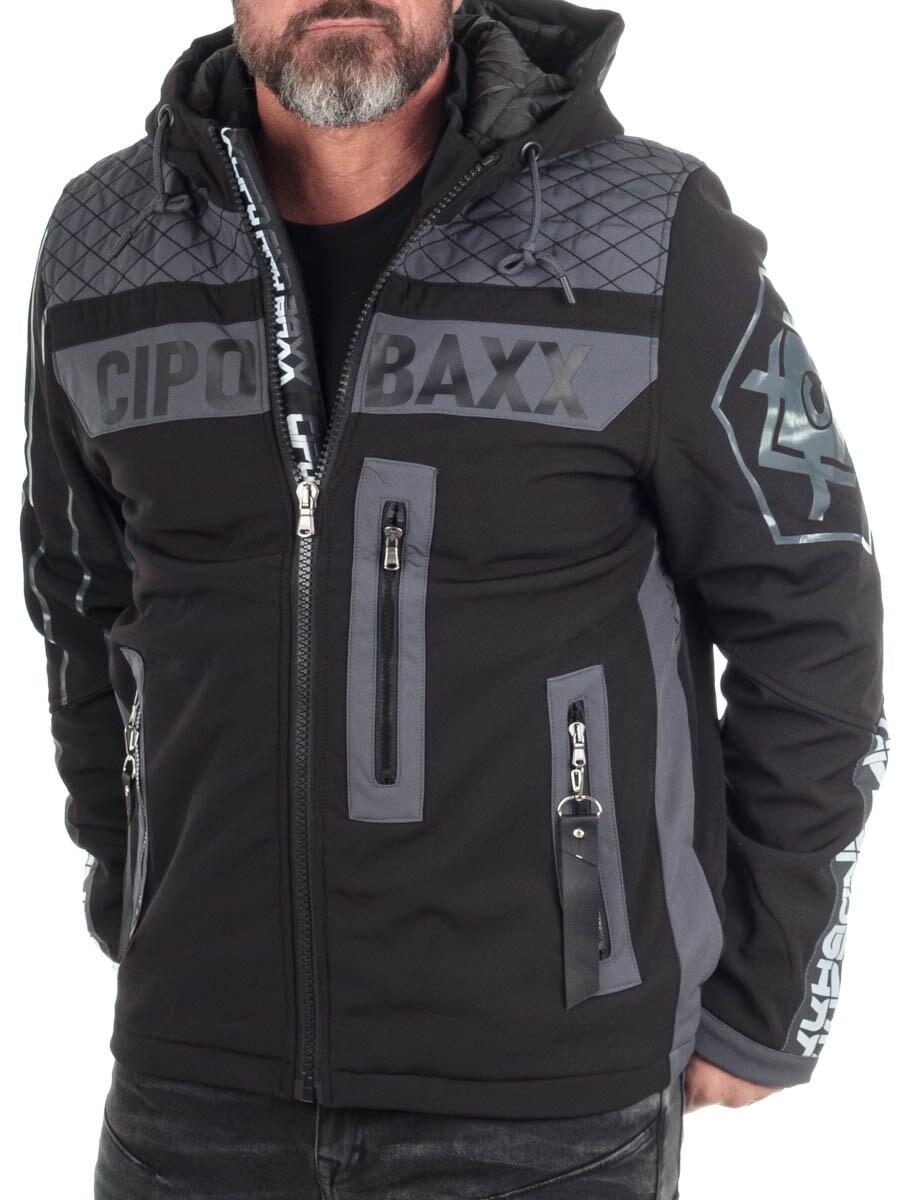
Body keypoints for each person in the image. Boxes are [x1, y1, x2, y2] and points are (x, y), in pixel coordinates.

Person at [19, 1, 888, 1197]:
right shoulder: (104, 244)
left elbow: (813, 607)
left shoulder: (650, 237)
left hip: (546, 1108)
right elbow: (79, 593)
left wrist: (773, 986)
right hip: (192, 1084)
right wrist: (138, 891)